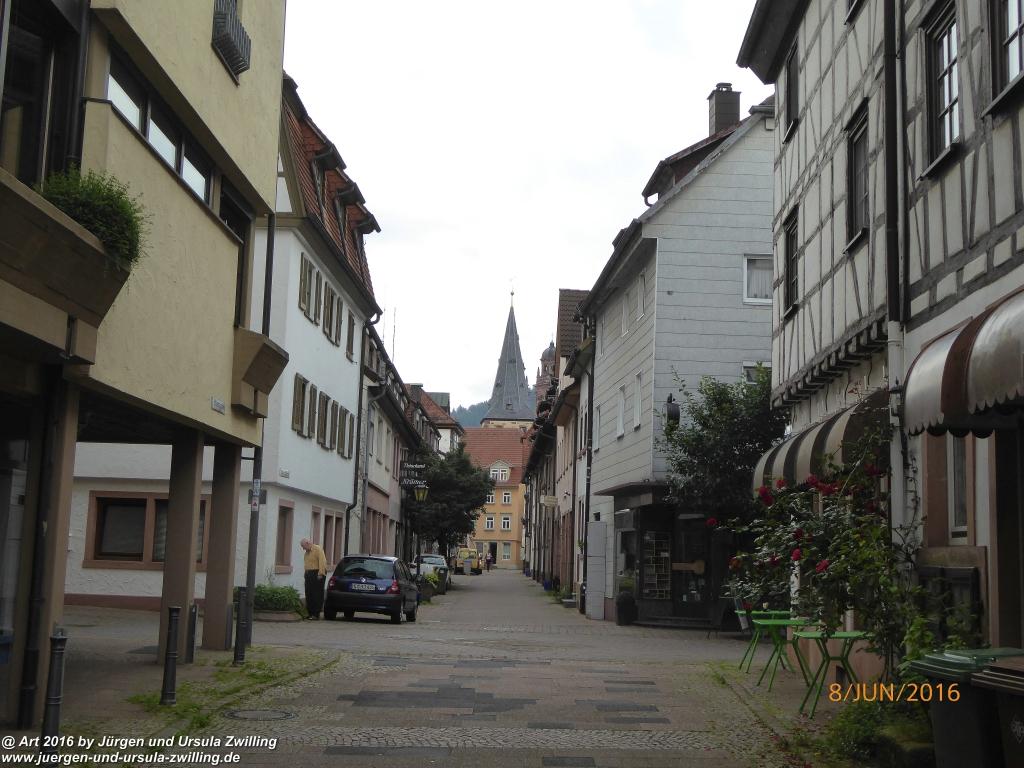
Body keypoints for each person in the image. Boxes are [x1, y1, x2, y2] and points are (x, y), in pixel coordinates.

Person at [300, 538, 327, 620]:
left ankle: (316, 613)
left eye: (303, 546)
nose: (303, 548)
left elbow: (322, 562)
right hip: (309, 574)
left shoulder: (318, 549)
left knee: (317, 594)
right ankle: (310, 613)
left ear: (308, 543)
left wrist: (320, 574)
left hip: (317, 574)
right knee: (308, 593)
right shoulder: (307, 553)